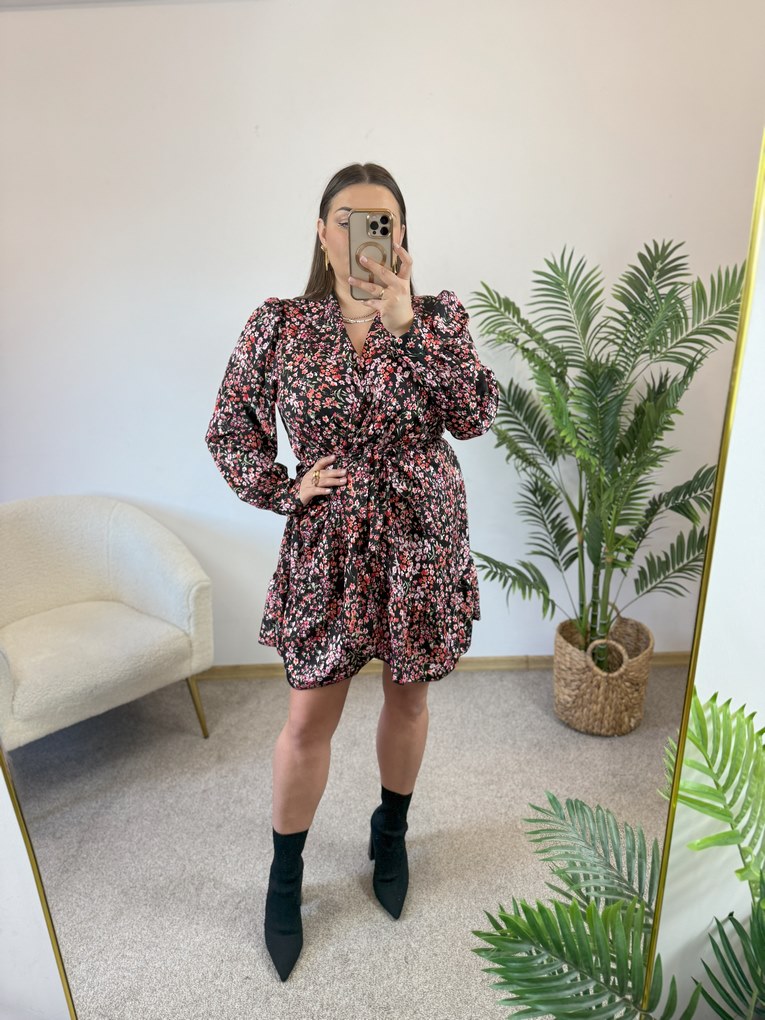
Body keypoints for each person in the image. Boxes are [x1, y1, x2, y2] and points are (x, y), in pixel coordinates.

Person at [205, 162, 499, 981]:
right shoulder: (278, 324)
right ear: (321, 230)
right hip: (328, 543)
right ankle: (285, 876)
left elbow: (474, 414)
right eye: (347, 217)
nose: (364, 232)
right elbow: (229, 428)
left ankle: (390, 833)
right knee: (307, 719)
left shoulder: (437, 317)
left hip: (419, 536)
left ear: (401, 234)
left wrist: (407, 324)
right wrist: (283, 488)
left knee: (408, 696)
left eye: (382, 220)